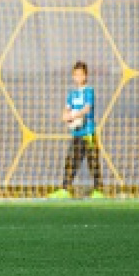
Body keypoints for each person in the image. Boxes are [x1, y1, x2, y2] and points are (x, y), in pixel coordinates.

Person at [49, 61, 104, 199]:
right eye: (76, 75)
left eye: (81, 74)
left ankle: (98, 190)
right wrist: (66, 116)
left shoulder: (89, 91)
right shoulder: (71, 94)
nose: (78, 77)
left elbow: (87, 108)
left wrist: (74, 115)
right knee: (71, 161)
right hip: (77, 133)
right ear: (73, 76)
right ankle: (65, 189)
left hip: (88, 133)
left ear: (86, 76)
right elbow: (66, 110)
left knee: (93, 162)